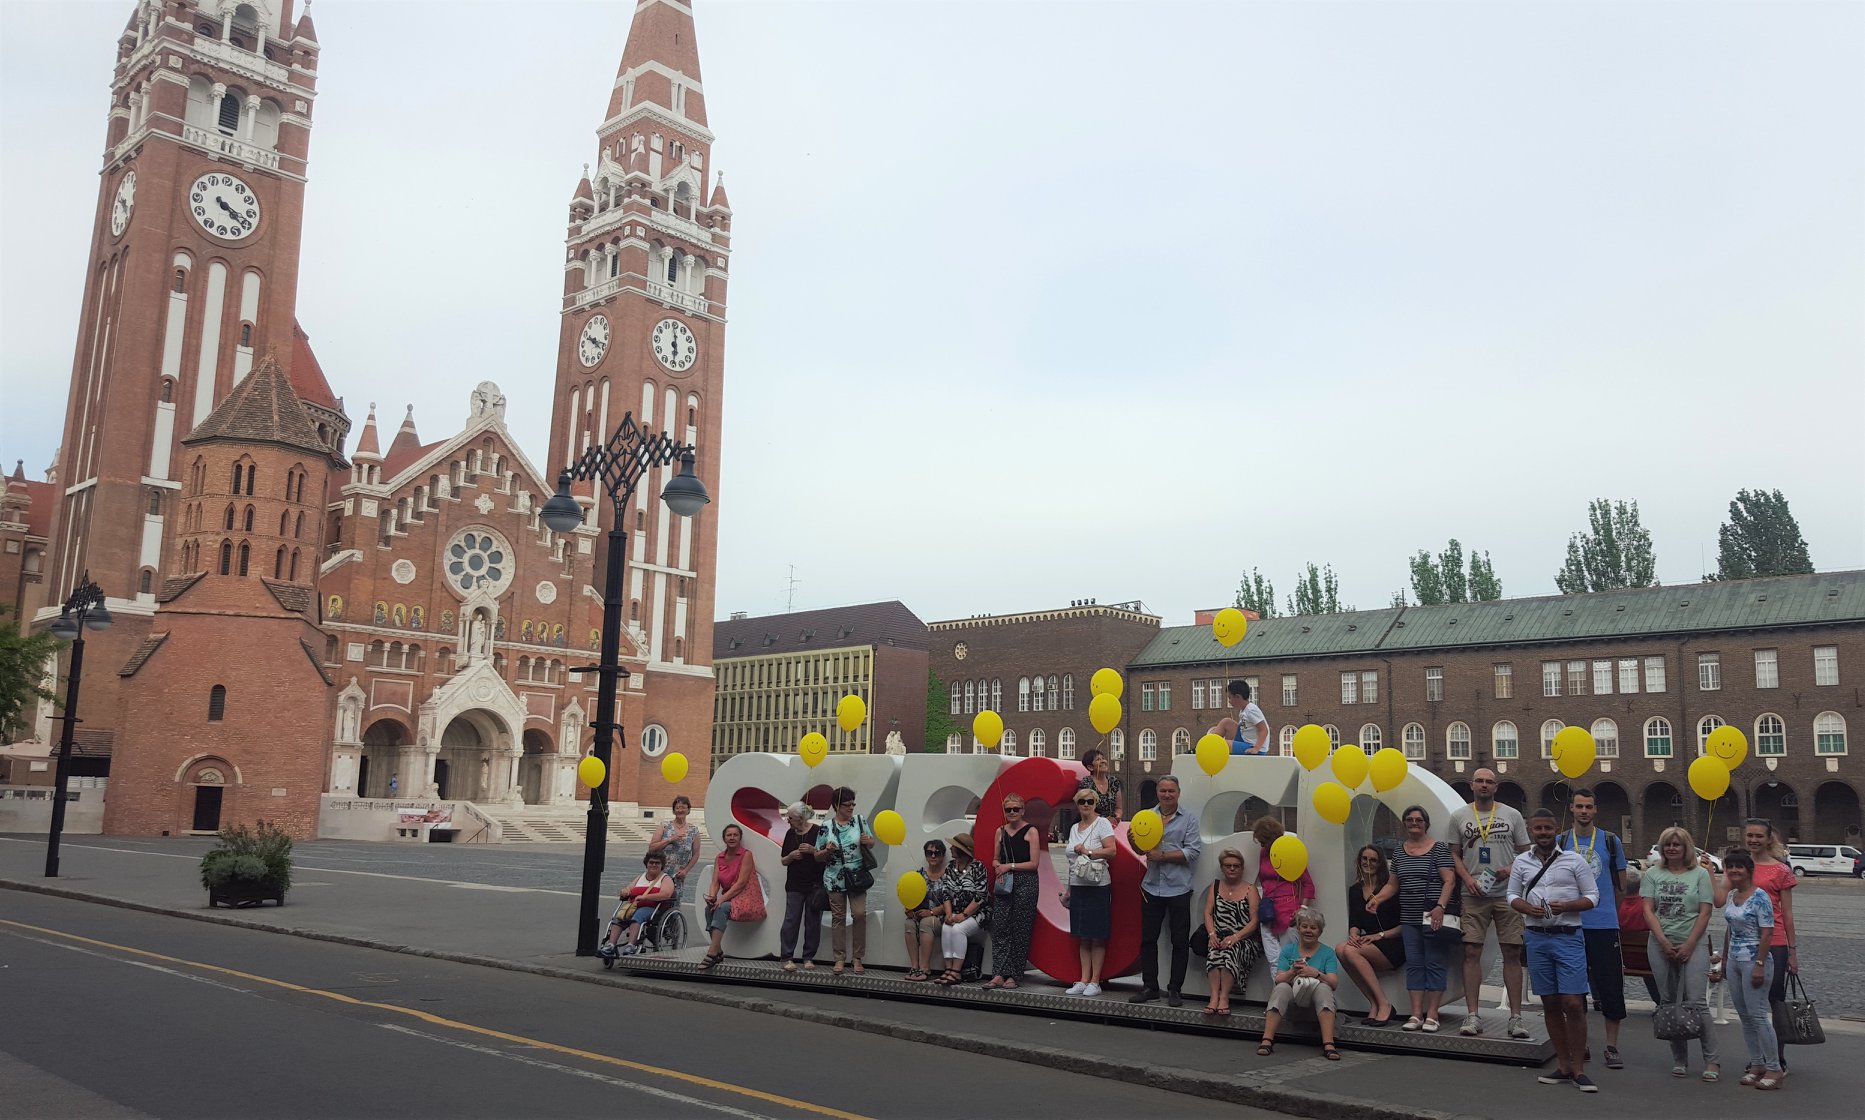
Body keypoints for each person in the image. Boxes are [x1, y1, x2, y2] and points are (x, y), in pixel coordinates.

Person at [1509, 808, 1599, 1092]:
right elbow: (1511, 894)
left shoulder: (1573, 860)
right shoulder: (1521, 862)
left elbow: (1593, 897)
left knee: (1572, 1002)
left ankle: (1579, 1068)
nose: (1544, 833)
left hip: (1568, 936)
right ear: (1531, 832)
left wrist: (1567, 906)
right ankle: (1563, 1065)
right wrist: (1526, 908)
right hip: (1537, 937)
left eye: (1548, 828)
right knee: (1549, 1003)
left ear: (1555, 830)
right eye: (1538, 829)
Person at [1448, 768, 1531, 1038]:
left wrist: (1510, 868)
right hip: (1474, 894)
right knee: (1471, 951)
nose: (1484, 785)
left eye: (1489, 782)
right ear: (1472, 785)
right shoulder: (1459, 816)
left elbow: (1526, 853)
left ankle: (1516, 1017)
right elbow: (1454, 855)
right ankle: (1472, 1015)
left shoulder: (1512, 815)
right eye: (1480, 781)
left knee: (1512, 952)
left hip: (1508, 893)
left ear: (1496, 787)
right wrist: (1466, 879)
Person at [1641, 826, 1719, 1081]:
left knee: (1697, 1003)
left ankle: (1711, 1060)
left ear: (1686, 848)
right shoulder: (1653, 873)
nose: (1672, 848)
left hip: (1693, 943)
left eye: (1677, 845)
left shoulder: (1700, 874)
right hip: (1660, 943)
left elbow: (1705, 912)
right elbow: (1648, 910)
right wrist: (1663, 941)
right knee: (1668, 1003)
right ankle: (1680, 1058)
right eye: (1668, 845)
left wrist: (1688, 945)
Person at [1558, 788, 1629, 1069]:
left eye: (1589, 806)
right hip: (1570, 925)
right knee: (1574, 990)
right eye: (1579, 806)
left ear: (1595, 809)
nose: (1584, 811)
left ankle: (1611, 1046)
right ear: (1572, 809)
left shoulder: (1611, 841)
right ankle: (1581, 1043)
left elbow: (1621, 885)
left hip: (1603, 925)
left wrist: (1608, 911)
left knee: (1610, 986)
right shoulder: (1561, 841)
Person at [1725, 818, 1797, 1077]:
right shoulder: (1739, 866)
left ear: (1769, 839)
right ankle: (1759, 1059)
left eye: (1758, 836)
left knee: (1772, 1003)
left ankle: (1776, 1058)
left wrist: (1792, 950)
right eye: (1749, 836)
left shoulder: (1780, 870)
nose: (1753, 840)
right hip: (1742, 945)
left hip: (1773, 942)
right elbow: (1723, 901)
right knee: (1750, 1007)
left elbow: (1787, 913)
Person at [1129, 775, 1203, 1006]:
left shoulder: (1189, 818)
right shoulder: (1147, 817)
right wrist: (1133, 842)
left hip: (1179, 888)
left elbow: (1193, 852)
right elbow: (1141, 850)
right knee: (1148, 939)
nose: (1167, 795)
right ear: (1157, 793)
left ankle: (1175, 990)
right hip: (1151, 887)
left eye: (1171, 791)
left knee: (1179, 941)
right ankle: (1150, 987)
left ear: (1178, 793)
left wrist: (1164, 856)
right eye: (1163, 791)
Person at [1381, 804, 1456, 1032]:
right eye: (1410, 820)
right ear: (1404, 823)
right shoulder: (1399, 851)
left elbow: (1449, 880)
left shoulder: (1438, 849)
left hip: (1432, 915)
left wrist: (1440, 907)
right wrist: (1377, 899)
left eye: (1419, 820)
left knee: (1434, 963)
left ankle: (1432, 1014)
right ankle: (1416, 1014)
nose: (1414, 823)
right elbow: (1393, 883)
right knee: (1414, 964)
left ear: (1426, 824)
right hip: (1409, 916)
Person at [1720, 852, 1783, 1090]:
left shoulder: (1760, 897)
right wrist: (1725, 960)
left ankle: (1774, 1067)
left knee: (1758, 1015)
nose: (1735, 871)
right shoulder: (1733, 896)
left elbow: (1767, 932)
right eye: (1730, 867)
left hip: (1754, 959)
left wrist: (1759, 964)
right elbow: (1730, 930)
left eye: (1739, 867)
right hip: (1735, 960)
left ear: (1749, 870)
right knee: (1745, 1017)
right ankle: (1757, 1063)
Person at [1257, 908, 1342, 1060]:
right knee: (1281, 987)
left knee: (1324, 988)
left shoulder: (1328, 952)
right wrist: (1292, 971)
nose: (1308, 931)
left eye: (1313, 927)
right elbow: (1278, 979)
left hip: (1318, 1005)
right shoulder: (1288, 950)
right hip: (1292, 1004)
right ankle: (1267, 1040)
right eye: (1304, 926)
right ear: (1298, 928)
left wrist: (1316, 973)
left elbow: (1334, 983)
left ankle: (1329, 1044)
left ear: (1320, 931)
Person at [1338, 844, 1403, 1026]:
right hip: (1371, 944)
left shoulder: (1390, 889)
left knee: (1350, 952)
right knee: (1341, 948)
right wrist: (1353, 934)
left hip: (1393, 942)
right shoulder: (1355, 890)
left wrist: (1380, 935)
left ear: (1381, 863)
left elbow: (1406, 926)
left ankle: (1385, 1004)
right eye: (1364, 859)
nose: (1368, 863)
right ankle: (1374, 1003)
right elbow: (1355, 922)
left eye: (1373, 860)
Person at [815, 786, 876, 975]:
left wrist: (869, 842)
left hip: (857, 875)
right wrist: (827, 851)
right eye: (847, 805)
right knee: (838, 918)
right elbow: (817, 855)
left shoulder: (859, 821)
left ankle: (857, 958)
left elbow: (871, 842)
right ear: (836, 806)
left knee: (859, 914)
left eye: (853, 804)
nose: (851, 808)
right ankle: (839, 958)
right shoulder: (826, 826)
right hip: (834, 877)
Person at [1063, 789, 1117, 996]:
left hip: (1097, 885)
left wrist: (1090, 852)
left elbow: (1111, 851)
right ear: (1077, 804)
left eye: (1090, 801)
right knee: (1082, 936)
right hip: (1078, 885)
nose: (1086, 805)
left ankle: (1096, 980)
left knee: (1097, 935)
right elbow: (1070, 862)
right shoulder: (1075, 827)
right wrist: (1068, 889)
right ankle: (1084, 980)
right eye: (1082, 802)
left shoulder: (1102, 823)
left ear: (1095, 803)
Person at [987, 793, 1043, 989]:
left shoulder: (1031, 831)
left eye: (1015, 809)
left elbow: (1034, 864)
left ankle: (1014, 975)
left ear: (1022, 810)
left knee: (1020, 929)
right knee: (1000, 928)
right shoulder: (999, 831)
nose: (1012, 813)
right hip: (1004, 883)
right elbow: (995, 858)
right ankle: (998, 973)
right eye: (1008, 809)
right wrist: (997, 866)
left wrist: (1008, 866)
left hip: (1025, 883)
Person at [1201, 847, 1262, 1016]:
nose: (1232, 868)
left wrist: (1236, 937)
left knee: (1229, 951)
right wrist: (1212, 934)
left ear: (1242, 868)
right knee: (1214, 951)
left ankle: (1224, 998)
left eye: (1236, 865)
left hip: (1245, 938)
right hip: (1219, 934)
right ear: (1222, 867)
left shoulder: (1251, 890)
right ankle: (1214, 997)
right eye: (1228, 865)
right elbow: (1207, 912)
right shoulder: (1216, 885)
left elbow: (1255, 921)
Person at [1253, 816, 1316, 963]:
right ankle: (1279, 986)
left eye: (1264, 841)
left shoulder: (1289, 852)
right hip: (1268, 908)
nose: (1262, 845)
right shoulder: (1263, 852)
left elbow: (1308, 885)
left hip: (1288, 909)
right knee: (1273, 959)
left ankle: (1288, 986)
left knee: (1289, 958)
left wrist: (1302, 908)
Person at [935, 832, 989, 986]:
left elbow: (980, 896)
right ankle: (948, 968)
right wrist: (949, 913)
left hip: (977, 913)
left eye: (954, 846)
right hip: (954, 911)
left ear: (961, 850)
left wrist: (964, 915)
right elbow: (945, 893)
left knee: (959, 930)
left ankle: (956, 972)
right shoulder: (950, 867)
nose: (951, 848)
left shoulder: (978, 867)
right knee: (947, 927)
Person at [701, 823, 758, 969]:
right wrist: (713, 896)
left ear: (740, 838)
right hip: (728, 897)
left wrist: (721, 899)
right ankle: (718, 950)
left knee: (721, 908)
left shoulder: (746, 854)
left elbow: (741, 883)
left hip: (746, 898)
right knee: (709, 909)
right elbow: (715, 882)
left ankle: (712, 952)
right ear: (724, 838)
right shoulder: (719, 857)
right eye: (729, 835)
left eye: (735, 835)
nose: (732, 837)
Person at [598, 851, 676, 958]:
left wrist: (645, 897)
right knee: (620, 917)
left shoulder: (665, 879)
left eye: (657, 863)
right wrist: (625, 891)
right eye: (651, 862)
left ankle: (631, 946)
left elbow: (666, 894)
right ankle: (611, 946)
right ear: (646, 864)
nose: (653, 865)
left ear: (662, 865)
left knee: (638, 915)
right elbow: (629, 888)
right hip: (633, 905)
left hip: (653, 908)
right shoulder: (641, 877)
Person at [776, 802, 824, 971]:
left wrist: (813, 850)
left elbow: (826, 856)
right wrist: (791, 855)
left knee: (813, 922)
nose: (787, 820)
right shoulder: (790, 834)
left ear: (801, 818)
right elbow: (783, 860)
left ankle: (808, 957)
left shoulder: (818, 832)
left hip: (814, 884)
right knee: (791, 920)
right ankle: (787, 956)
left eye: (790, 817)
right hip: (795, 884)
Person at [903, 839, 949, 981]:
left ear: (942, 856)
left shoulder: (948, 876)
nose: (933, 856)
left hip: (940, 918)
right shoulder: (918, 876)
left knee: (926, 923)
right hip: (921, 916)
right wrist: (909, 910)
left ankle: (925, 968)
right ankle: (915, 967)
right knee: (909, 923)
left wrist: (931, 912)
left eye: (937, 853)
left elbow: (952, 903)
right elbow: (909, 897)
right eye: (929, 853)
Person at [647, 795, 702, 900]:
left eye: (683, 807)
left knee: (673, 902)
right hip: (659, 872)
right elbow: (652, 847)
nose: (680, 810)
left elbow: (696, 854)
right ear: (673, 810)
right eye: (677, 808)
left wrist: (686, 870)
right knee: (655, 900)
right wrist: (670, 840)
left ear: (688, 810)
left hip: (678, 875)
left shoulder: (693, 830)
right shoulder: (664, 826)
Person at [1208, 679, 1269, 756]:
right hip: (1245, 738)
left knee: (1224, 744)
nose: (1229, 701)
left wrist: (1256, 748)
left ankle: (1209, 748)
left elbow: (1264, 730)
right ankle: (1209, 743)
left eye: (1230, 698)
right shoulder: (1243, 710)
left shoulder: (1251, 710)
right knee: (1226, 722)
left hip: (1254, 746)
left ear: (1237, 697)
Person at [1076, 748, 1124, 822]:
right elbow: (1082, 808)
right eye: (1098, 759)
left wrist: (1117, 816)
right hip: (1091, 825)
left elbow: (1119, 808)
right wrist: (1104, 821)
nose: (1103, 761)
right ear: (1090, 767)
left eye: (1103, 758)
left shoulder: (1113, 781)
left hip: (1111, 825)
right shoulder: (1086, 783)